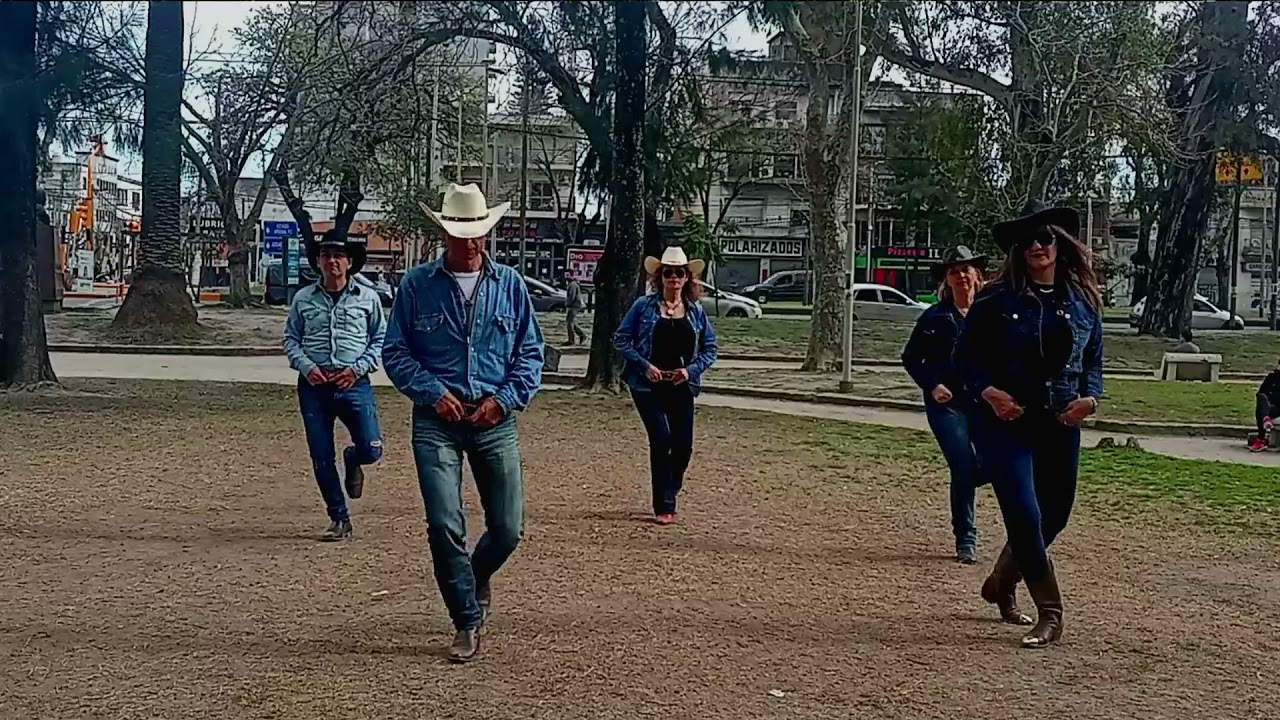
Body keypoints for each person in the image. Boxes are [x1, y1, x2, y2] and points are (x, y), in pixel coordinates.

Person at [383, 183, 544, 664]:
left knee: (508, 528)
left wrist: (505, 400)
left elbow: (530, 353)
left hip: (494, 418)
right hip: (438, 421)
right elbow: (396, 352)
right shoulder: (417, 285)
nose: (471, 242)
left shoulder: (510, 285)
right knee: (443, 523)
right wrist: (433, 393)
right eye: (460, 233)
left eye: (477, 232)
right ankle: (466, 619)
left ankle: (475, 576)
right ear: (444, 234)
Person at [955, 199, 1104, 649]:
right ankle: (1050, 614)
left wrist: (1091, 398)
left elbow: (1093, 360)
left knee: (1054, 515)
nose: (1036, 246)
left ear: (1060, 243)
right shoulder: (996, 298)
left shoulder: (1083, 299)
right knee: (1025, 513)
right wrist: (988, 391)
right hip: (1004, 420)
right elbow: (964, 357)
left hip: (1059, 420)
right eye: (1026, 242)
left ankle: (1002, 581)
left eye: (1044, 238)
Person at [282, 229, 386, 542]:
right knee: (321, 455)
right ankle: (339, 518)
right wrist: (306, 367)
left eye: (339, 256)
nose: (332, 262)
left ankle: (354, 459)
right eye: (326, 256)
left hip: (354, 382)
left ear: (349, 262)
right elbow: (291, 339)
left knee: (372, 447)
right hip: (314, 386)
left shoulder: (368, 298)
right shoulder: (303, 298)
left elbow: (380, 339)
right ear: (318, 261)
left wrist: (357, 369)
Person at [613, 246, 719, 525]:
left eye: (679, 273)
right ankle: (664, 504)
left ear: (687, 278)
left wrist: (690, 370)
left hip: (681, 384)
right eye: (668, 273)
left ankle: (670, 488)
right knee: (661, 439)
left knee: (683, 445)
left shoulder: (695, 312)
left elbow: (710, 349)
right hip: (647, 385)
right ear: (659, 277)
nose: (674, 278)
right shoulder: (643, 306)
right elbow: (621, 339)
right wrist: (644, 366)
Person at [901, 246, 989, 565]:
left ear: (976, 275)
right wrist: (932, 385)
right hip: (947, 404)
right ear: (947, 280)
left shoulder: (991, 313)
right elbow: (911, 358)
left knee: (997, 460)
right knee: (962, 464)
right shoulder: (935, 317)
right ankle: (966, 538)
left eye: (966, 269)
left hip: (984, 401)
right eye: (954, 271)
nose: (961, 275)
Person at [1250, 361, 1280, 452]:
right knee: (1261, 397)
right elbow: (1261, 392)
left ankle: (1261, 439)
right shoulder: (1271, 377)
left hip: (1278, 408)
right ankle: (1266, 419)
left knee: (1261, 410)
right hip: (1267, 406)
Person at [565, 273, 587, 345]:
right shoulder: (573, 284)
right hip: (575, 305)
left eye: (568, 275)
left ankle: (572, 340)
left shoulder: (572, 285)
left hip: (573, 306)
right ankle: (581, 336)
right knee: (572, 322)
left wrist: (567, 304)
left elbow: (572, 296)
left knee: (569, 322)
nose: (566, 277)